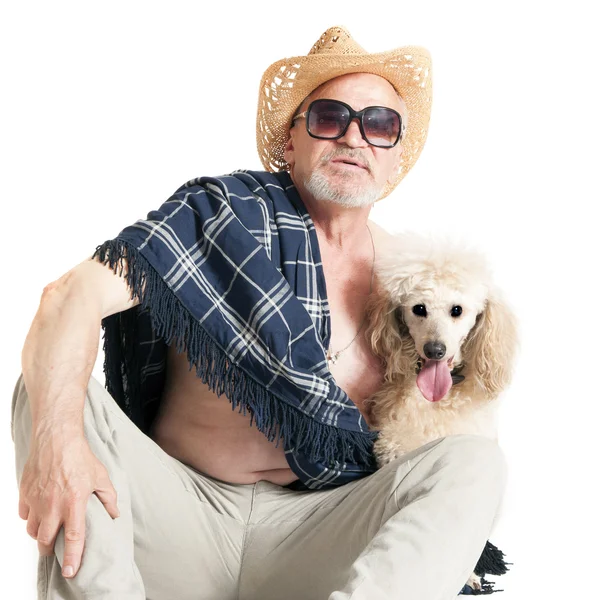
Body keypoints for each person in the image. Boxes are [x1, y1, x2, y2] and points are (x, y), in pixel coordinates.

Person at [11, 26, 508, 599]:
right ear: (291, 140)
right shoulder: (220, 218)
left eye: (379, 124)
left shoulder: (410, 285)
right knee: (49, 389)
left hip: (319, 535)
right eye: (329, 116)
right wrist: (57, 448)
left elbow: (449, 419)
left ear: (396, 158)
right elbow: (67, 300)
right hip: (175, 518)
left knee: (474, 462)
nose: (354, 137)